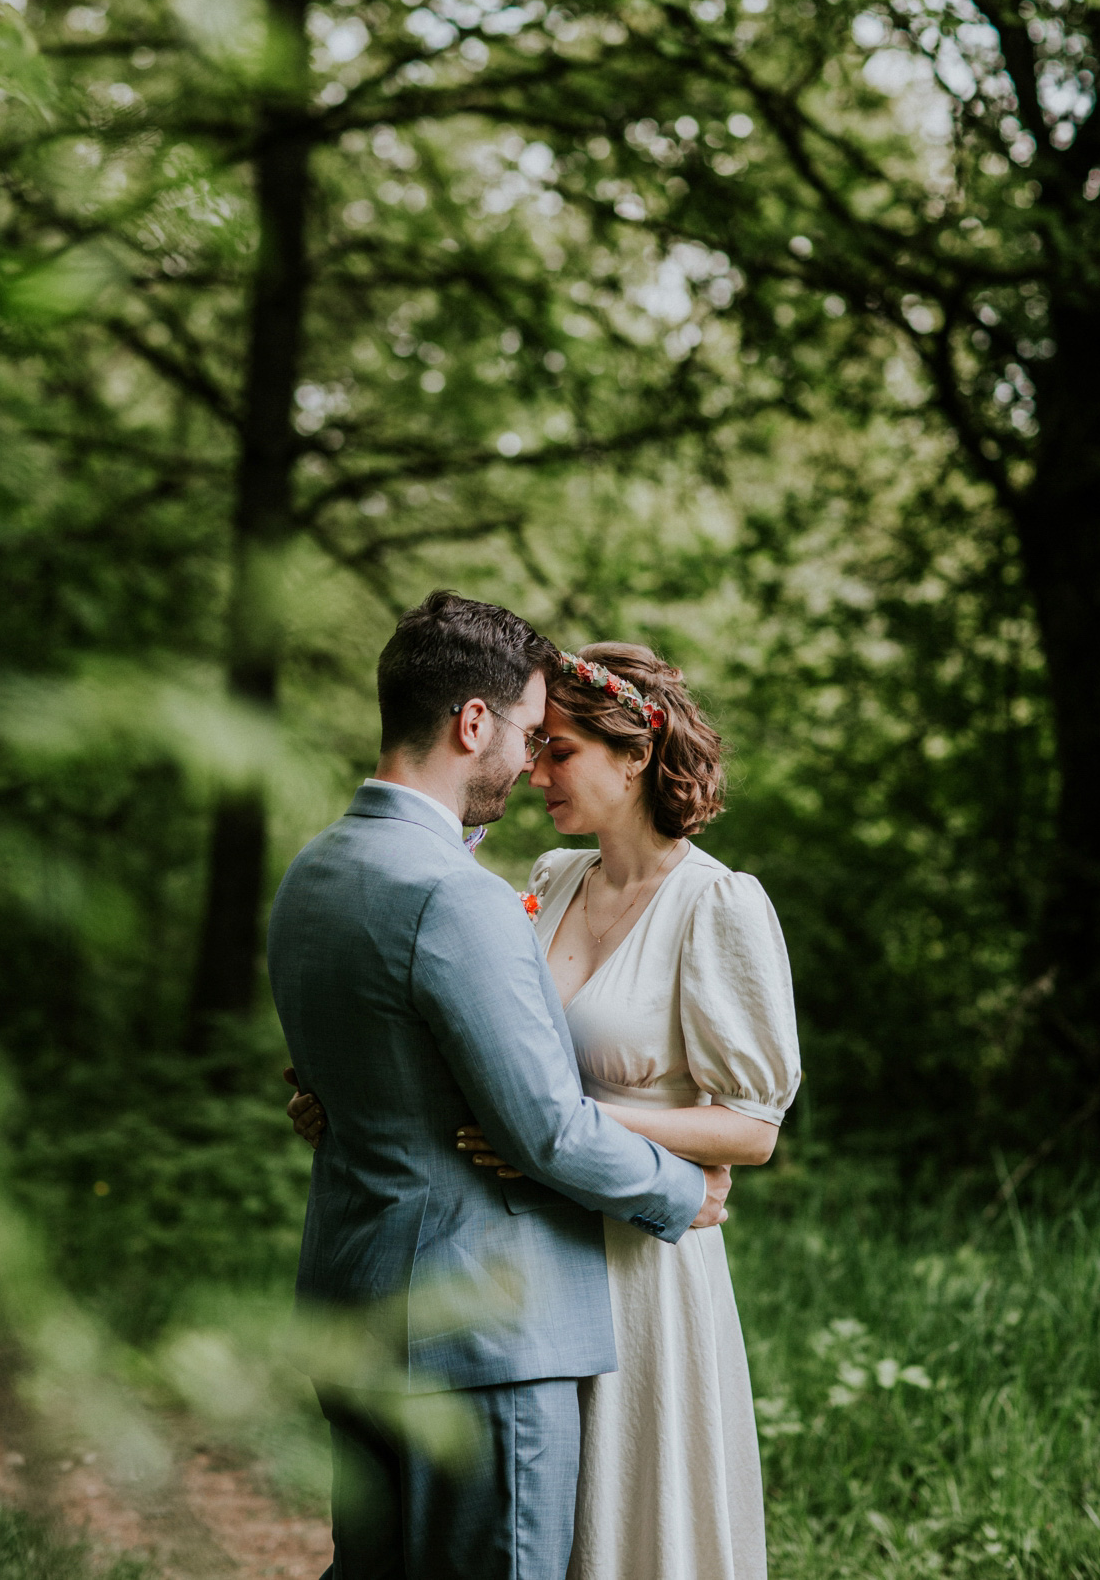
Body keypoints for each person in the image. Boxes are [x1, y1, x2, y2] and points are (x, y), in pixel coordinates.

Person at [289, 637, 801, 1580]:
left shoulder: (717, 904)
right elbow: (485, 1047)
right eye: (535, 748)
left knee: (631, 1530)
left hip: (643, 1257)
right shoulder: (548, 881)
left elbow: (752, 1130)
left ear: (636, 754)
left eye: (558, 750)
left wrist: (569, 1124)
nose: (532, 772)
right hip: (529, 1247)